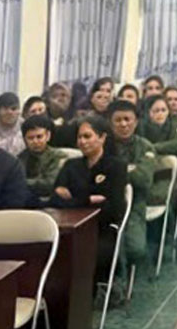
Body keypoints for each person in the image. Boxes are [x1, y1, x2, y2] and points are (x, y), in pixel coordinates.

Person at [52, 115, 127, 278]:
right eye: (79, 137)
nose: (82, 142)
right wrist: (87, 200)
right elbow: (55, 200)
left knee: (87, 256)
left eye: (87, 136)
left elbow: (112, 208)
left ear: (102, 138)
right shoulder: (70, 165)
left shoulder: (116, 166)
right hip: (69, 228)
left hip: (101, 229)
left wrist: (73, 198)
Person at [107, 100, 157, 267]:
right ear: (110, 123)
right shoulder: (103, 144)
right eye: (118, 120)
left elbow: (143, 179)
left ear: (135, 122)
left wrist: (114, 171)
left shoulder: (145, 146)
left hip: (135, 201)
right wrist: (127, 169)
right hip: (104, 200)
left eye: (128, 119)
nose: (123, 124)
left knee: (135, 249)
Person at [18, 114, 63, 203]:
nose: (35, 141)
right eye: (30, 138)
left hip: (50, 201)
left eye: (39, 137)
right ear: (24, 140)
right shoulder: (20, 157)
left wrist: (24, 183)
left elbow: (50, 184)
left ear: (48, 136)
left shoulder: (58, 156)